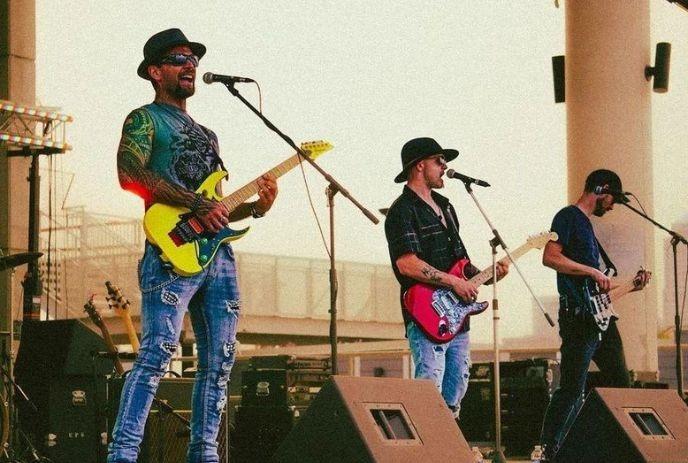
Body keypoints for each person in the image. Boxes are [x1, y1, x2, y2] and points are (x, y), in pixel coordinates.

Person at [108, 28, 278, 463]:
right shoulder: (144, 119)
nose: (191, 65)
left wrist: (256, 208)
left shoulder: (208, 133)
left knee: (219, 361)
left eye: (194, 59)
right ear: (154, 71)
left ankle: (205, 455)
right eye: (179, 58)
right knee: (156, 355)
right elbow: (130, 174)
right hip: (169, 252)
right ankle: (122, 454)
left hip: (216, 255)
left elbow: (216, 211)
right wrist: (192, 200)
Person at [384, 137, 508, 416]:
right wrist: (454, 282)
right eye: (439, 161)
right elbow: (407, 263)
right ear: (419, 166)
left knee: (457, 385)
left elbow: (460, 264)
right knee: (429, 386)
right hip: (426, 312)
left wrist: (488, 275)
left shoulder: (447, 206)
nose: (445, 167)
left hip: (456, 315)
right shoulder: (402, 210)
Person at [538, 169, 650, 460]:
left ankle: (614, 450)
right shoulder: (568, 216)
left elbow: (599, 284)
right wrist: (590, 270)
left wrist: (631, 286)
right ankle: (548, 449)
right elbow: (549, 257)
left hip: (601, 318)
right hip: (578, 318)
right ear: (600, 189)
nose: (612, 205)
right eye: (612, 198)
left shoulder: (587, 226)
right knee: (572, 389)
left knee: (621, 385)